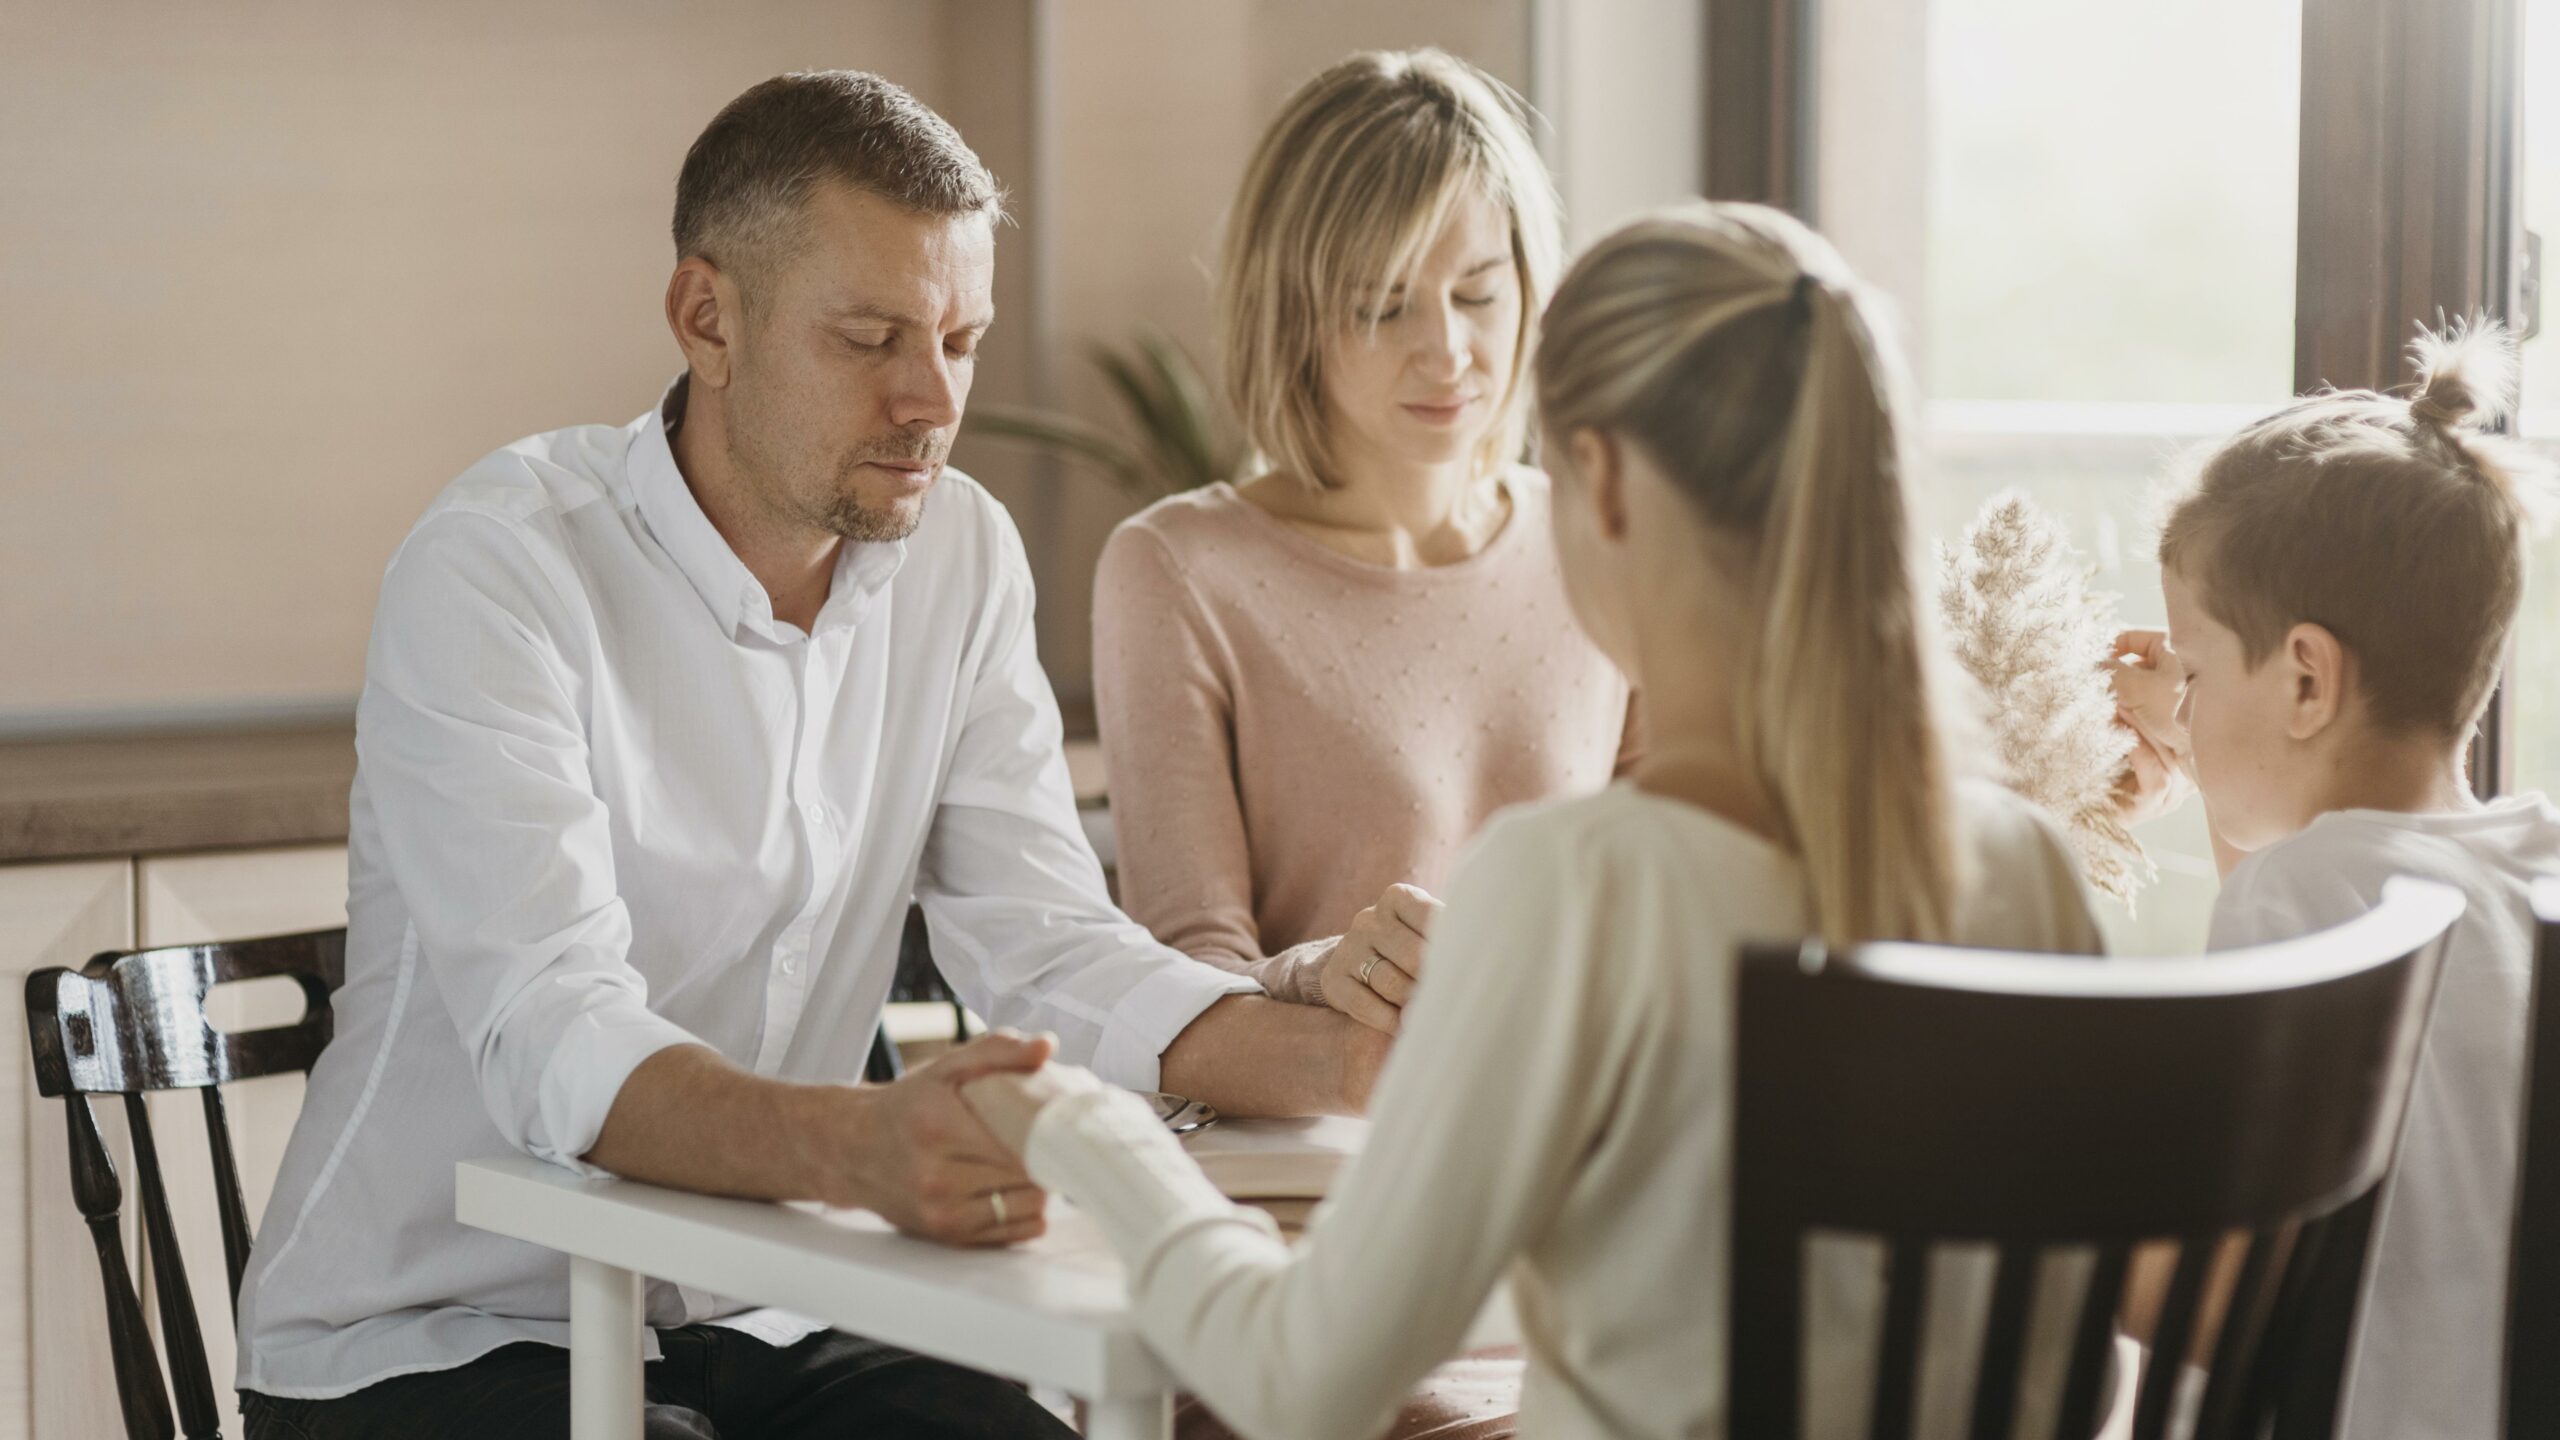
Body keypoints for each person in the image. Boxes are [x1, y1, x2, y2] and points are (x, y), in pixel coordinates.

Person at [232, 71, 1385, 1440]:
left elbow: (1049, 944)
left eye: (961, 339)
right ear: (707, 317)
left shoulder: (961, 557)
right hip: (434, 1332)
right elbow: (559, 1030)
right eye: (870, 338)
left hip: (778, 1301)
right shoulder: (499, 570)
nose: (930, 399)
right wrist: (864, 1150)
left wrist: (1354, 1066)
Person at [963, 202, 2105, 1439]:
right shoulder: (2023, 869)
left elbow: (1298, 1381)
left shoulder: (1576, 886)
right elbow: (2074, 1371)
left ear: (1601, 479)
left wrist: (1088, 1137)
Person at [1094, 49, 1634, 1039]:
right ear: (1292, 314)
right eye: (1383, 304)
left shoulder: (1602, 534)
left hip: (1584, 1127)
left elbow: (1664, 892)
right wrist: (1321, 972)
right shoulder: (1179, 568)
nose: (1447, 349)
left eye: (1477, 293)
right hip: (1325, 1147)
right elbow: (1185, 970)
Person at [2110, 320, 2559, 1440]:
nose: (2185, 701)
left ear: (2305, 677)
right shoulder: (2526, 868)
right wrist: (2216, 742)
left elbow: (2216, 1306)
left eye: (2197, 669)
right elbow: (2318, 888)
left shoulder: (2308, 898)